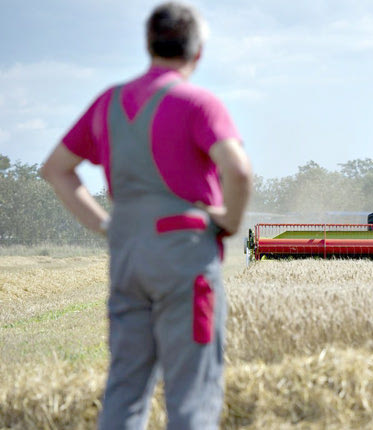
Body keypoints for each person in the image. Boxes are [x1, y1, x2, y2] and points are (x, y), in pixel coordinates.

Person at [40, 3, 251, 429]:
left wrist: (105, 225)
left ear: (148, 45)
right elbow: (238, 169)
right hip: (184, 258)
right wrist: (229, 220)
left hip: (128, 256)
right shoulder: (198, 103)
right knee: (191, 392)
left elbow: (56, 169)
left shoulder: (108, 102)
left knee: (125, 388)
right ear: (198, 53)